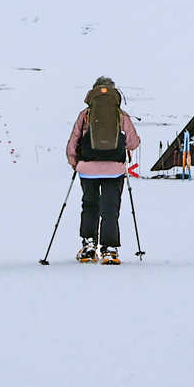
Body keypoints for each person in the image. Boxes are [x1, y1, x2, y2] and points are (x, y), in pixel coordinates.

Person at [65, 76, 140, 265]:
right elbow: (133, 142)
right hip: (114, 169)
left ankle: (89, 246)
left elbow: (72, 143)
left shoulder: (85, 115)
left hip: (88, 168)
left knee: (89, 205)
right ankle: (109, 248)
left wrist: (76, 164)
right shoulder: (120, 115)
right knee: (110, 207)